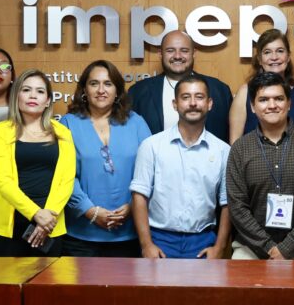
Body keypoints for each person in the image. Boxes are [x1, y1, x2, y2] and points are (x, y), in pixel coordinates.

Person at [226, 71, 294, 260]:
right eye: (263, 100)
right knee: (240, 275)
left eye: (279, 99)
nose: (272, 105)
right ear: (252, 106)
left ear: (289, 104)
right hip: (251, 246)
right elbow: (237, 207)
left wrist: (286, 248)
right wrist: (269, 247)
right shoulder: (240, 149)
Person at [131, 75, 232, 259]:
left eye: (199, 97)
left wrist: (219, 247)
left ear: (209, 103)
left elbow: (227, 203)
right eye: (185, 97)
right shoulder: (151, 146)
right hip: (159, 240)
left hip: (203, 241)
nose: (192, 103)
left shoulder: (223, 151)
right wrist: (146, 245)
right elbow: (139, 196)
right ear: (175, 104)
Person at [59, 60, 152, 257]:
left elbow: (151, 171)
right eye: (94, 83)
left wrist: (133, 206)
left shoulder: (136, 122)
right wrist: (90, 211)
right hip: (81, 234)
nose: (101, 90)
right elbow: (63, 176)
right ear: (84, 89)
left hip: (130, 232)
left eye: (108, 84)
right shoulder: (68, 123)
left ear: (117, 91)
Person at [0, 69, 76, 257]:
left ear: (48, 100)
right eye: (26, 90)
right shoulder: (1, 131)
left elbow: (67, 181)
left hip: (50, 224)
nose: (33, 95)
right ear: (16, 96)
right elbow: (2, 181)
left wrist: (47, 217)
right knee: (8, 277)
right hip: (10, 226)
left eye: (40, 91)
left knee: (51, 276)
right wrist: (36, 213)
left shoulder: (63, 133)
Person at [128, 30, 234, 142]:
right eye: (170, 50)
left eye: (184, 51)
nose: (177, 56)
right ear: (160, 54)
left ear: (194, 53)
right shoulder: (138, 92)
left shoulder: (219, 90)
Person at [229, 28, 294, 142]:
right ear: (260, 59)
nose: (274, 57)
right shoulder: (245, 92)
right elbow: (235, 143)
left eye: (280, 51)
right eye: (267, 52)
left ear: (288, 56)